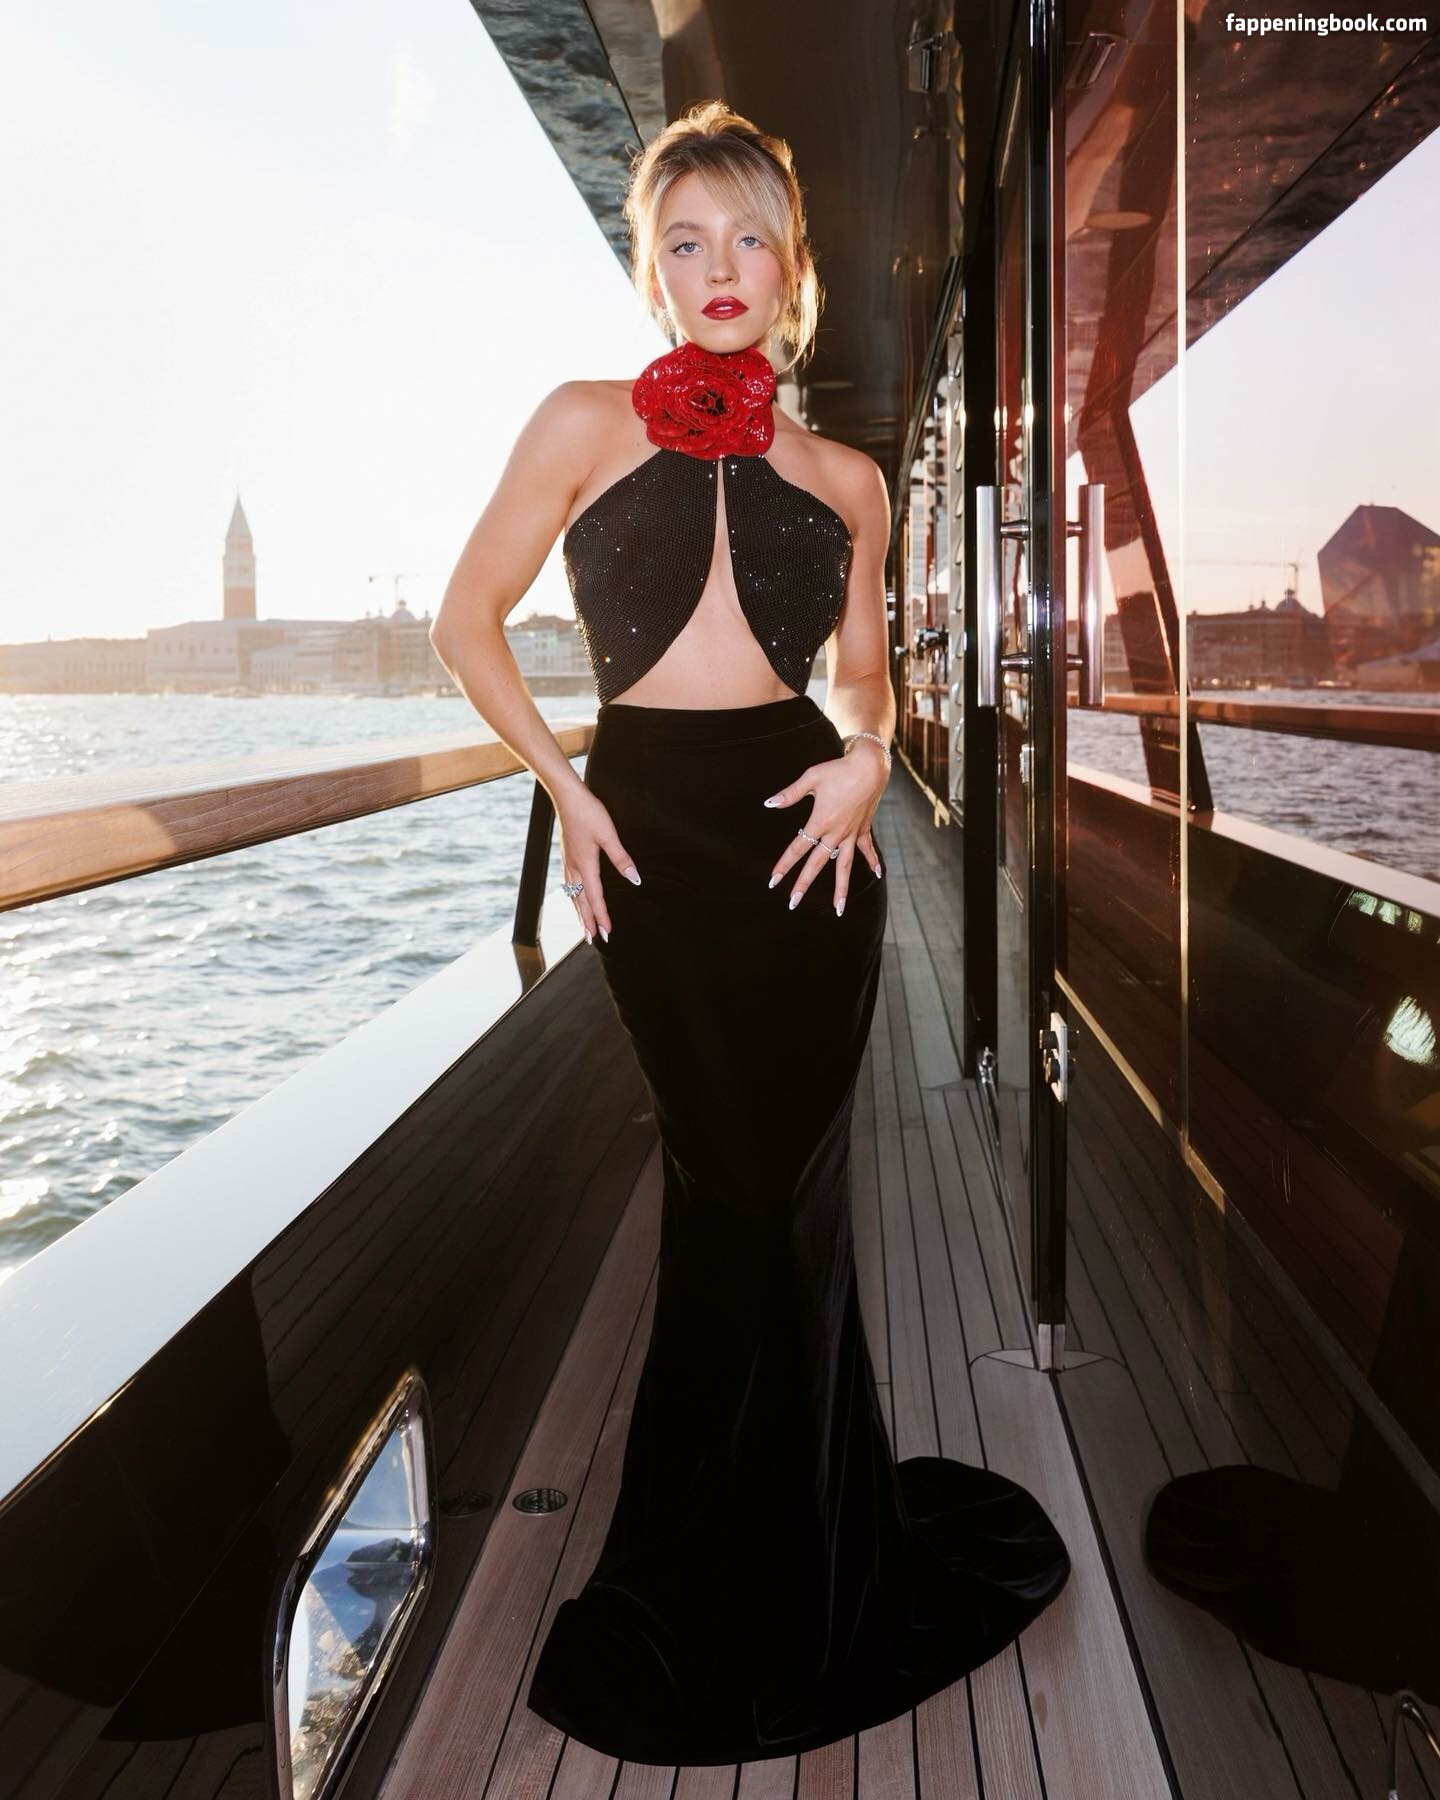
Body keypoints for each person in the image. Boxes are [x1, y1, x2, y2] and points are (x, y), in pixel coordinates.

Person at [429, 98, 1070, 1769]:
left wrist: (865, 758)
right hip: (651, 840)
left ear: (794, 272)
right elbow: (464, 622)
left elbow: (863, 677)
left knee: (782, 1207)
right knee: (721, 1196)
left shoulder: (846, 475)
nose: (721, 268)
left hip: (806, 855)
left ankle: (794, 1559)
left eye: (752, 240)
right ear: (654, 270)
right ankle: (716, 1561)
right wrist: (566, 789)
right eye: (686, 240)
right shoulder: (582, 421)